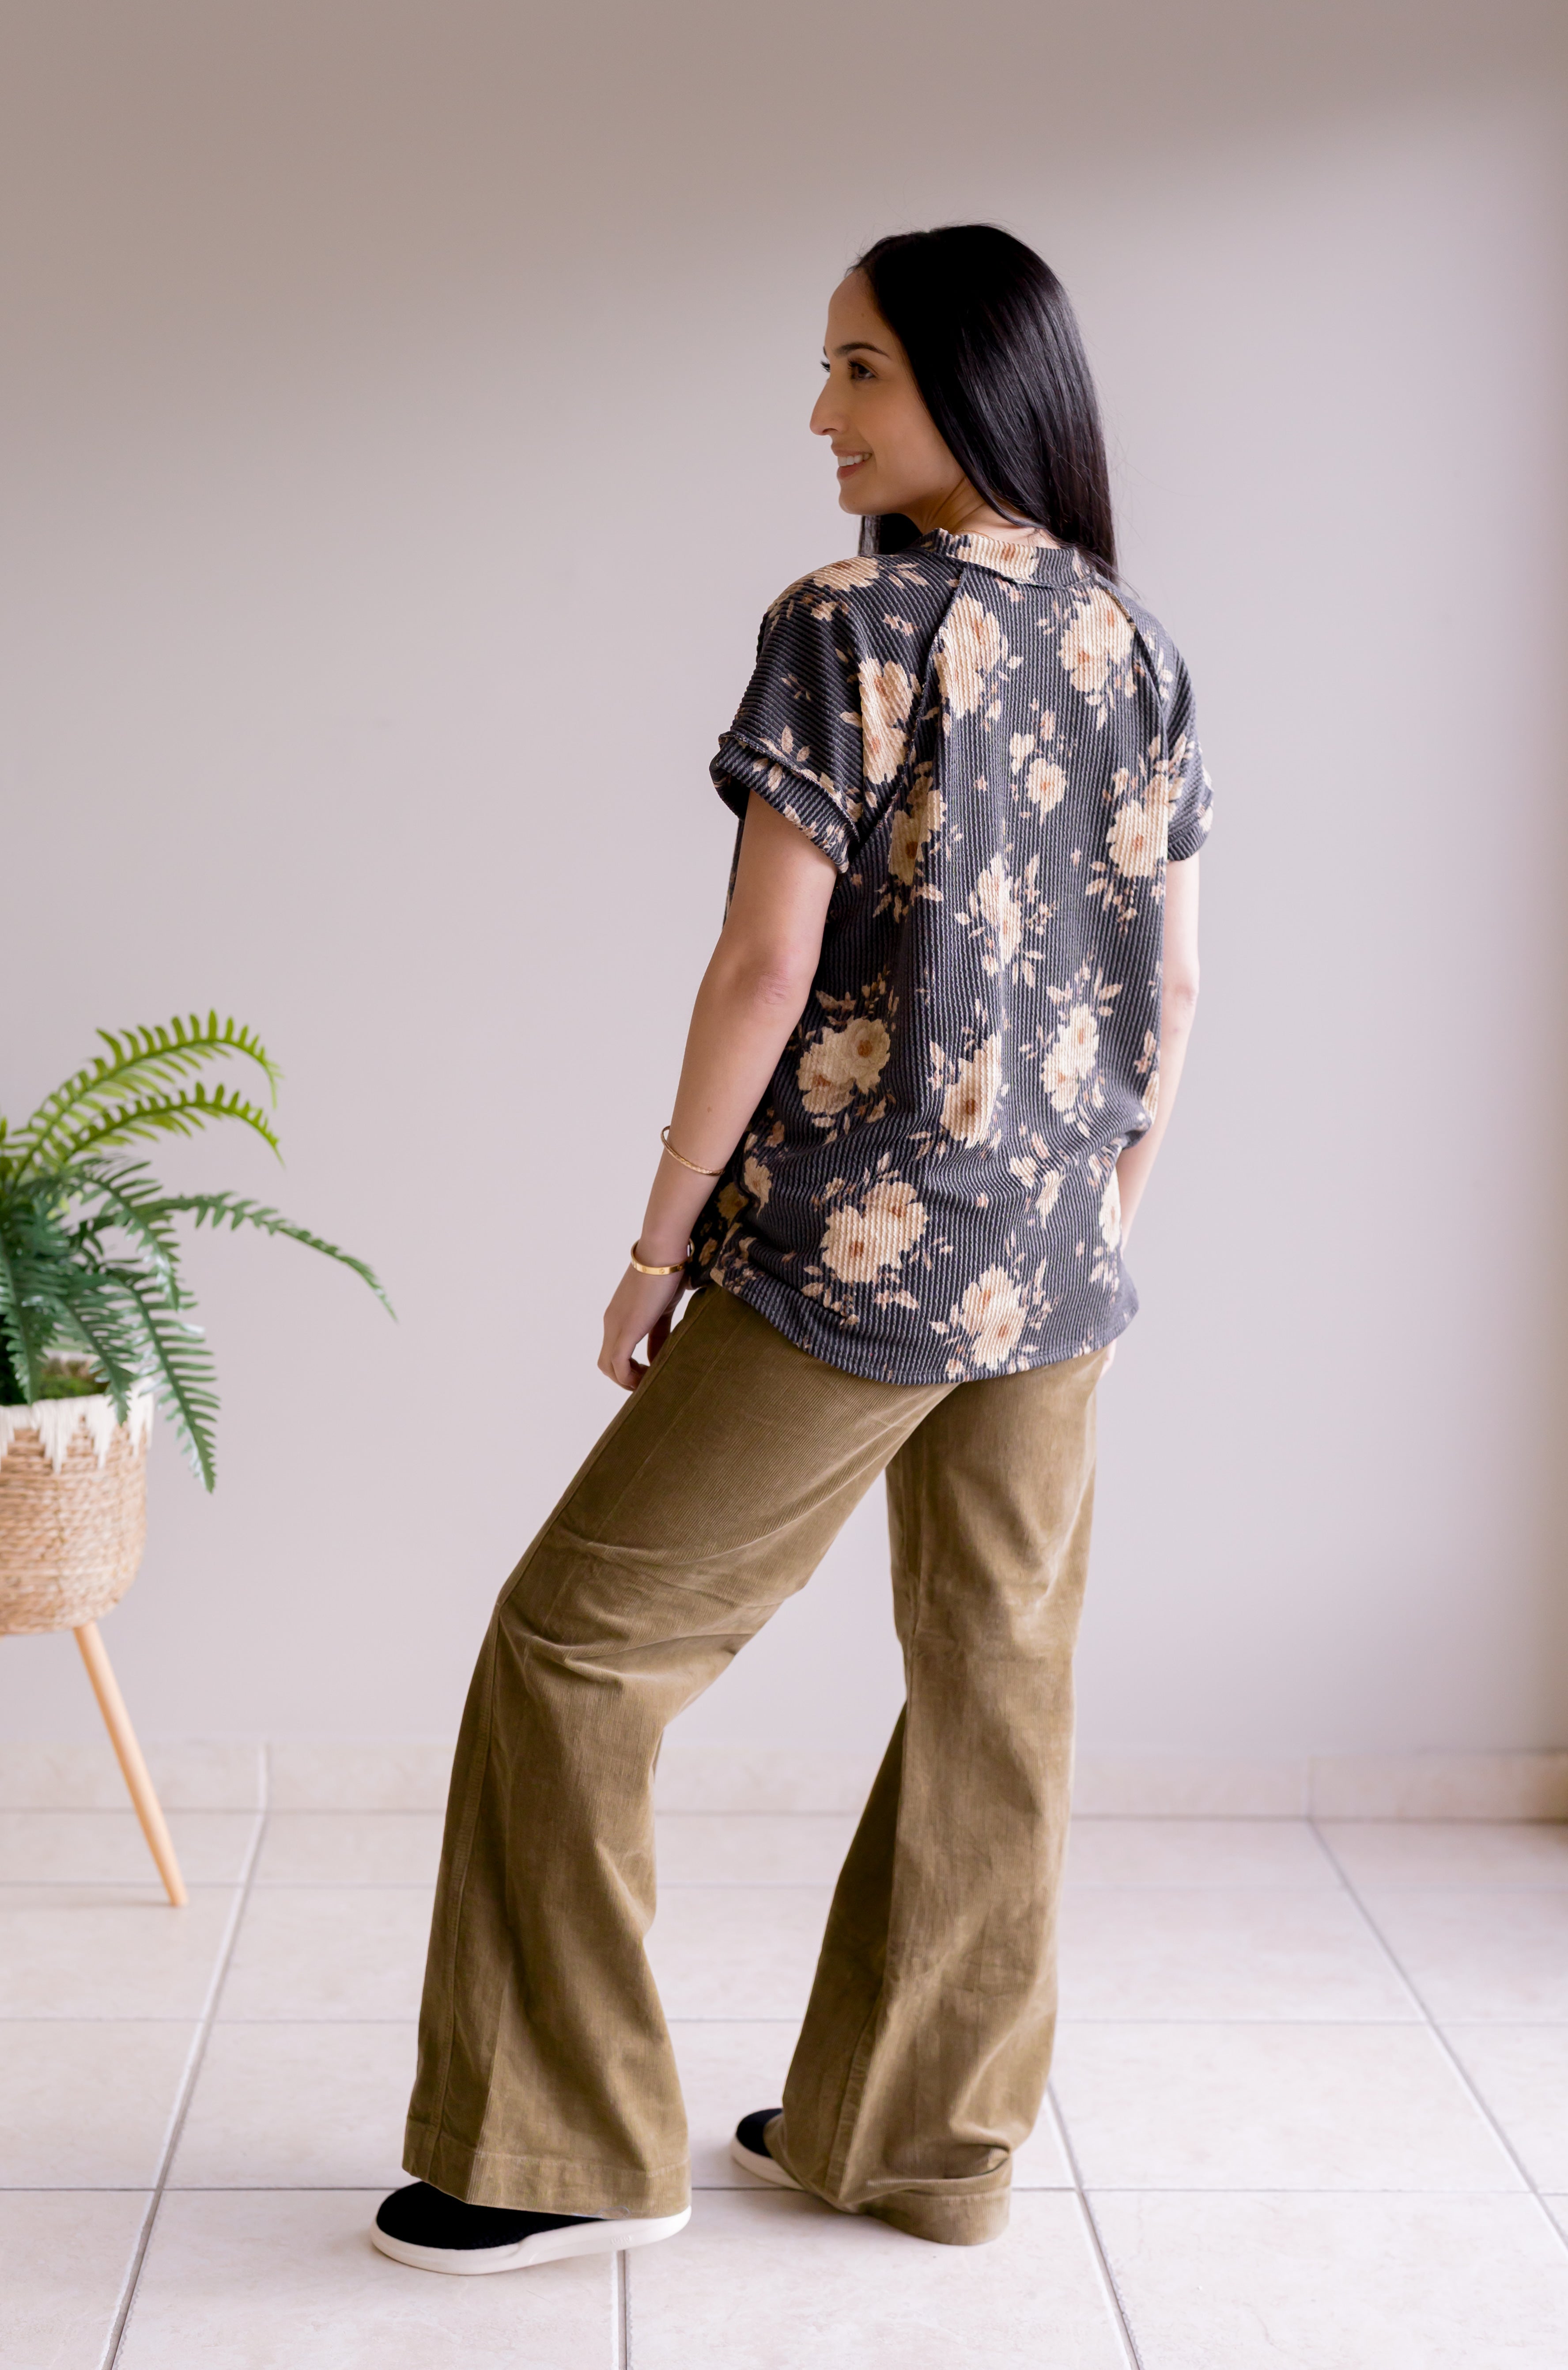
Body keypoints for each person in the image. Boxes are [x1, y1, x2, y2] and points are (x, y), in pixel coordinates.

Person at [372, 222, 1209, 2276]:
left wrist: (657, 1244)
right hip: (1054, 1269)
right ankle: (922, 2145)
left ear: (972, 382)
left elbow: (766, 966)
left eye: (859, 369)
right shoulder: (1133, 642)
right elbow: (1173, 987)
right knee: (998, 1681)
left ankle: (558, 2151)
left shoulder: (851, 621)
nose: (820, 411)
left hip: (854, 1253)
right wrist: (1090, 1226)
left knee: (575, 1648)